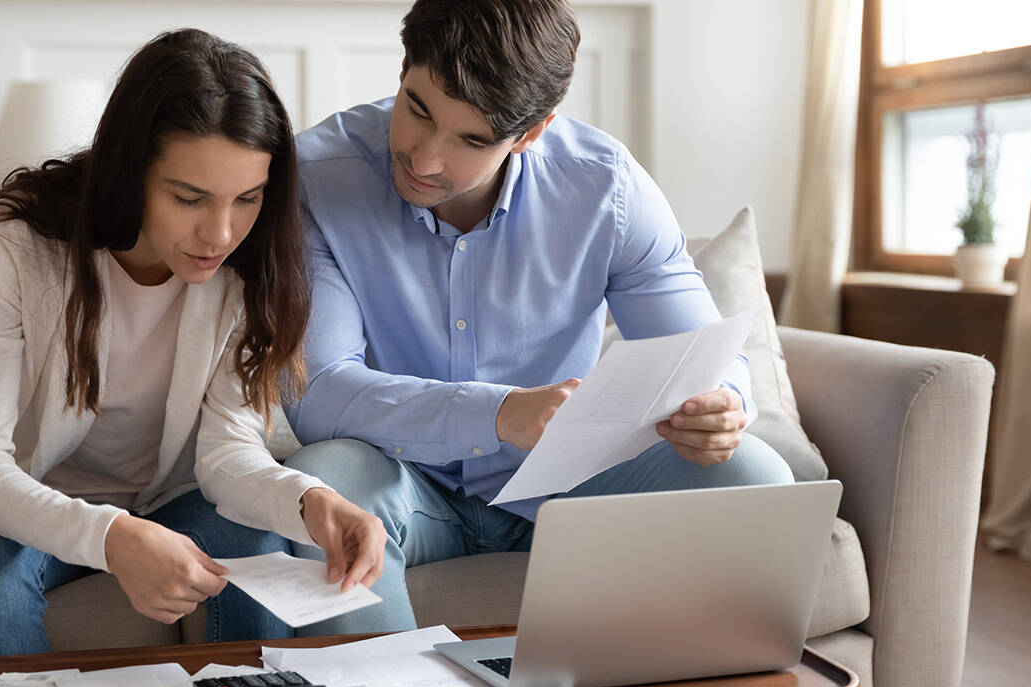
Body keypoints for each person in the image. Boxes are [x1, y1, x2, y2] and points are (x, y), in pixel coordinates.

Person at [0, 29, 385, 658]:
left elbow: (229, 454)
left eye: (247, 198)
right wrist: (113, 535)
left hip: (172, 501)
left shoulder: (252, 268)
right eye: (188, 198)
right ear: (129, 170)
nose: (220, 232)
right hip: (24, 498)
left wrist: (312, 501)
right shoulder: (13, 249)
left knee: (258, 545)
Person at [284, 0, 794, 635]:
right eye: (417, 110)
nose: (424, 159)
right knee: (323, 481)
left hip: (568, 486)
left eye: (472, 140)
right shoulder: (315, 178)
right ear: (403, 69)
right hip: (401, 484)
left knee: (753, 474)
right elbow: (320, 392)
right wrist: (499, 414)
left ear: (531, 132)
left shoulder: (606, 189)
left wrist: (722, 404)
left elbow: (702, 356)